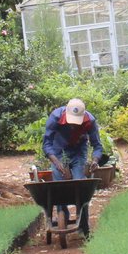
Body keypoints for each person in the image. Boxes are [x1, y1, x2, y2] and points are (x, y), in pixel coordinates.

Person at [42, 97, 105, 235]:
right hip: (59, 152)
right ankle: (62, 216)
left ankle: (83, 226)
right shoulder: (56, 117)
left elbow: (97, 145)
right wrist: (57, 163)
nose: (74, 126)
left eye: (77, 123)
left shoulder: (90, 121)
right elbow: (46, 144)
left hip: (78, 152)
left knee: (81, 185)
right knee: (58, 188)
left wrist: (95, 160)